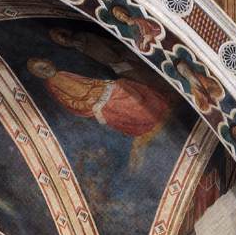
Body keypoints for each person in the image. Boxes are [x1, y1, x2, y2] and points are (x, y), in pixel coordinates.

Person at [27, 57, 172, 170]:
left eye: (44, 66)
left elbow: (89, 83)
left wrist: (102, 85)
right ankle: (148, 119)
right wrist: (91, 102)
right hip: (95, 103)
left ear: (49, 62)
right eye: (40, 71)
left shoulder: (62, 73)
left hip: (100, 92)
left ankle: (157, 107)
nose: (45, 70)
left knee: (123, 84)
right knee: (124, 96)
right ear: (39, 75)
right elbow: (71, 103)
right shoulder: (53, 84)